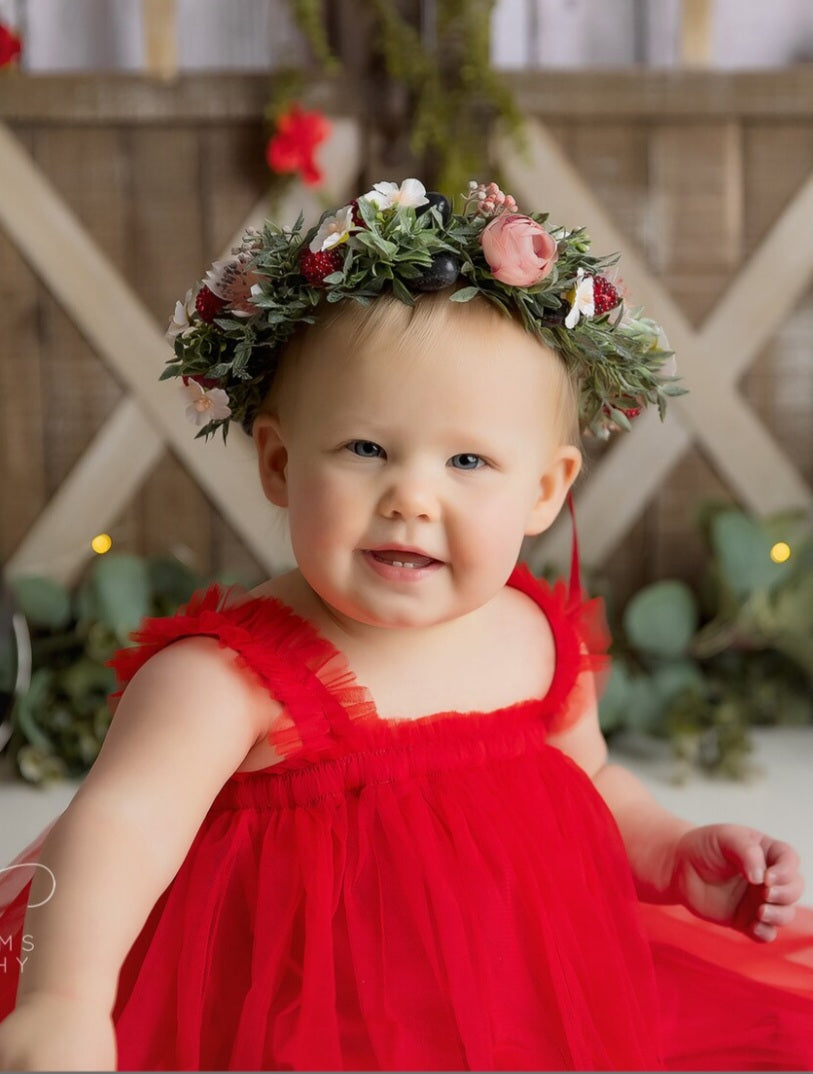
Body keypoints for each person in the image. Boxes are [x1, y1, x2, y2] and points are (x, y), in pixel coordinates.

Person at [0, 178, 810, 1071]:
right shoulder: (227, 679)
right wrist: (64, 1003)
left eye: (468, 460)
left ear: (544, 490)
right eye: (365, 449)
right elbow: (120, 828)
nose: (411, 499)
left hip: (513, 1014)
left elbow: (590, 783)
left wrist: (670, 855)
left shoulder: (538, 640)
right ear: (277, 460)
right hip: (295, 1027)